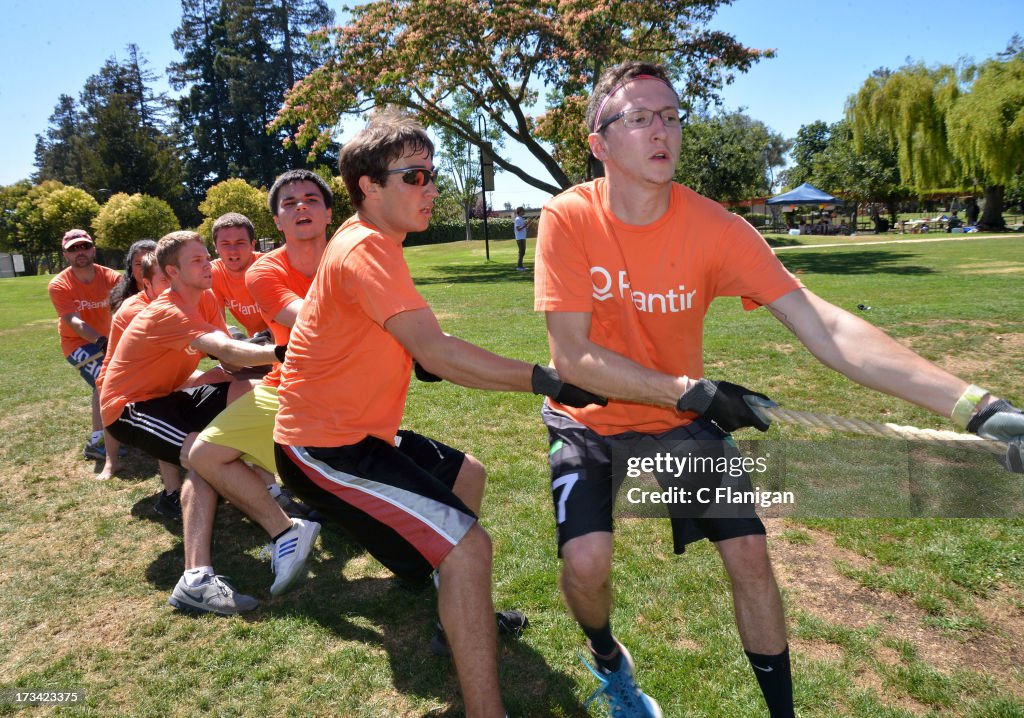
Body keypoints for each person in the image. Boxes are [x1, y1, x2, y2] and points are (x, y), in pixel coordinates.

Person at [533, 60, 1024, 718]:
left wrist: (974, 405)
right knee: (588, 565)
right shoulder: (567, 218)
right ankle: (606, 657)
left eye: (673, 115)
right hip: (587, 423)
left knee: (750, 552)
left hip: (677, 424)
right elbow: (574, 355)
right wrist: (693, 391)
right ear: (599, 142)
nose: (663, 130)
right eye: (640, 117)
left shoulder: (717, 228)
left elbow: (825, 327)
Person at [272, 110, 604, 717]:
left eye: (432, 173)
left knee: (467, 476)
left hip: (360, 434)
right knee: (470, 548)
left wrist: (427, 355)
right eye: (414, 176)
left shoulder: (372, 245)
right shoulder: (365, 249)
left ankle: (451, 604)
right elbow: (438, 353)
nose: (430, 187)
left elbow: (411, 343)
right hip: (322, 447)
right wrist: (547, 379)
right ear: (369, 186)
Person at [100, 230, 283, 615]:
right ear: (173, 272)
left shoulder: (208, 297)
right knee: (203, 456)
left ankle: (270, 487)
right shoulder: (167, 310)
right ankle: (196, 579)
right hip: (129, 408)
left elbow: (231, 362)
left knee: (247, 389)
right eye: (198, 260)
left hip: (168, 395)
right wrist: (283, 350)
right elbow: (225, 348)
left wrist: (257, 354)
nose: (209, 264)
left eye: (206, 257)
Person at [186, 170, 338, 606]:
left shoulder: (349, 256)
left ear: (328, 212)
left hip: (347, 388)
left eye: (311, 199)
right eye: (289, 203)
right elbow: (312, 321)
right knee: (205, 453)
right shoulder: (266, 269)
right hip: (289, 381)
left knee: (348, 478)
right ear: (277, 220)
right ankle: (287, 530)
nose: (301, 207)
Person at [47, 229, 124, 463]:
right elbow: (73, 321)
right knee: (104, 381)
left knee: (111, 381)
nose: (80, 252)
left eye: (84, 247)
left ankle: (112, 435)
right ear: (65, 255)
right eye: (73, 249)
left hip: (109, 342)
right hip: (77, 344)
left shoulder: (112, 277)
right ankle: (97, 442)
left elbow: (125, 307)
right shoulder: (59, 284)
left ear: (93, 249)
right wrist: (102, 341)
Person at [210, 212, 268, 338]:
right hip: (257, 342)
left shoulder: (269, 266)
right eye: (225, 244)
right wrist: (233, 335)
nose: (233, 251)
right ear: (215, 247)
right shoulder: (213, 274)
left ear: (252, 245)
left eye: (240, 242)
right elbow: (217, 323)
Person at [108, 239, 157, 314]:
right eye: (138, 264)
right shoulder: (123, 302)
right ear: (130, 266)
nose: (144, 268)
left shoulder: (172, 295)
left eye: (151, 263)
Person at [513, 206, 531, 271]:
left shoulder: (521, 219)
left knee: (522, 252)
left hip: (522, 237)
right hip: (519, 238)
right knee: (522, 252)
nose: (524, 212)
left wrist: (528, 224)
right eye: (523, 211)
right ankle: (519, 267)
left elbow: (525, 228)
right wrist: (525, 225)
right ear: (520, 212)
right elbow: (518, 229)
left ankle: (520, 266)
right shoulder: (517, 219)